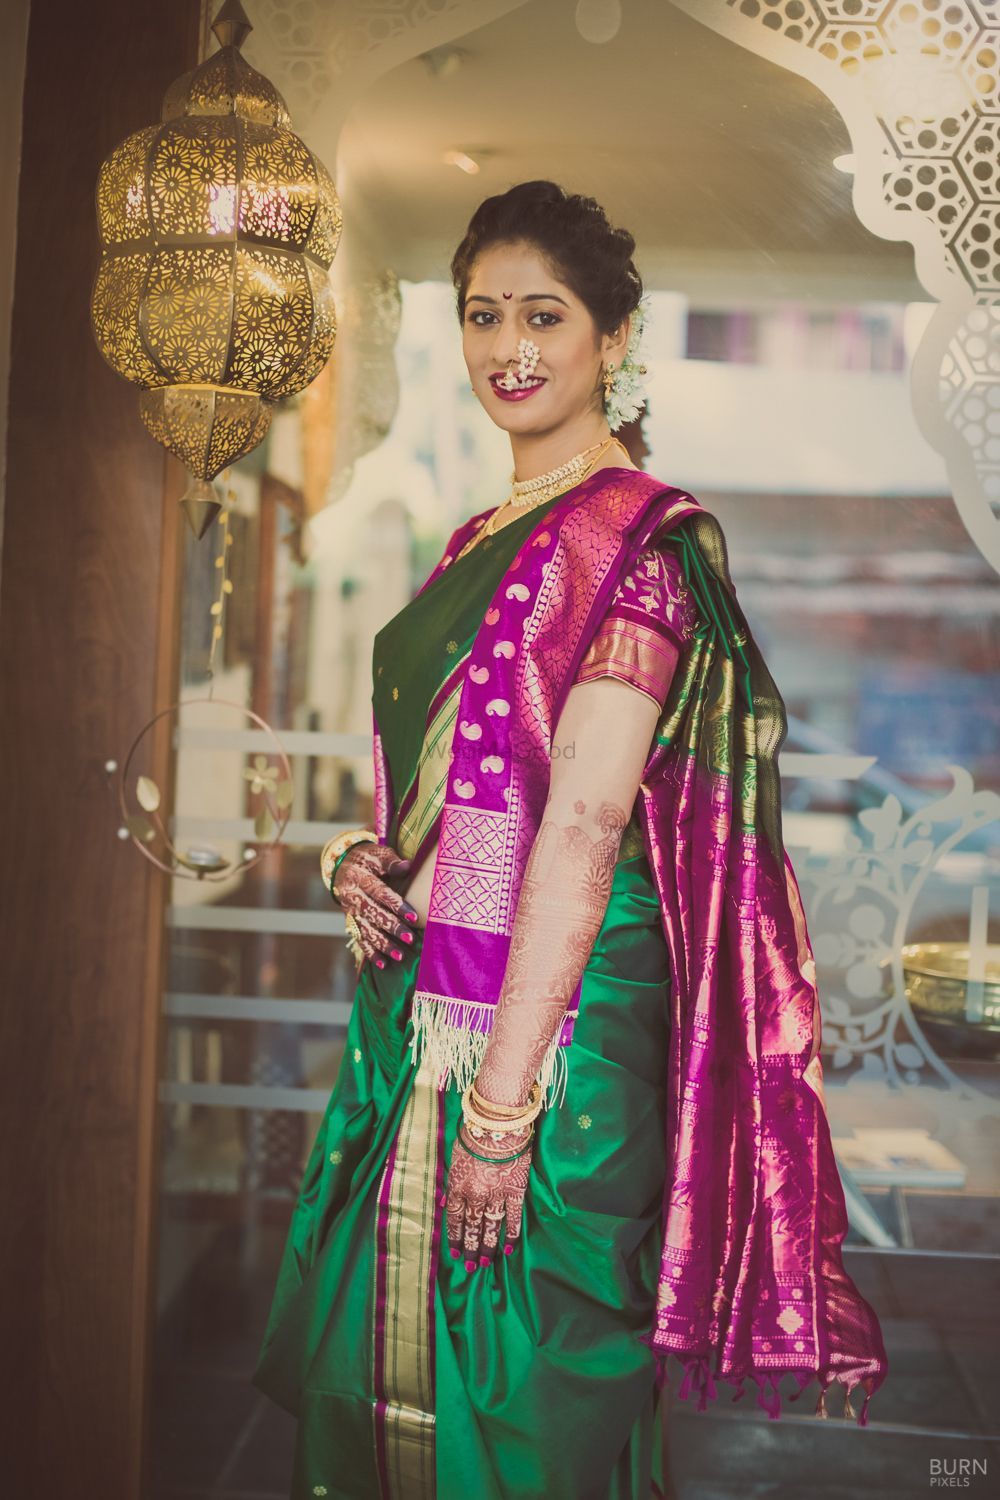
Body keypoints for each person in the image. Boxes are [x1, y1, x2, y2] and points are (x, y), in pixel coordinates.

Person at [251, 180, 888, 1500]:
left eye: (544, 315)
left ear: (613, 335)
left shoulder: (635, 542)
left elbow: (588, 818)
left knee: (524, 1386)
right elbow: (474, 800)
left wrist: (501, 1113)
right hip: (423, 1006)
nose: (509, 349)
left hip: (559, 1031)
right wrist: (368, 859)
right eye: (484, 317)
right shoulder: (473, 538)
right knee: (389, 1372)